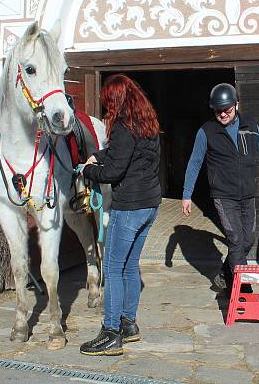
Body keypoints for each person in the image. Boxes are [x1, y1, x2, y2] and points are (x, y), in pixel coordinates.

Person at [78, 74, 162, 356]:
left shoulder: (124, 126)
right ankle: (129, 324)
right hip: (150, 204)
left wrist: (86, 170)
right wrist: (98, 156)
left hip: (130, 207)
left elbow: (114, 171)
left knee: (113, 267)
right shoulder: (147, 123)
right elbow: (121, 154)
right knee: (129, 266)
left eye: (107, 103)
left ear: (115, 100)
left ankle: (110, 332)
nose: (106, 110)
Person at [181, 83, 259, 290]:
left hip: (247, 193)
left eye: (227, 110)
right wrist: (187, 194)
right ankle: (242, 288)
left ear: (236, 105)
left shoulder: (250, 125)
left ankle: (223, 275)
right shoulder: (206, 131)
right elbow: (195, 162)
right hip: (224, 195)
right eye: (218, 110)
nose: (222, 114)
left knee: (248, 239)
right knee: (236, 239)